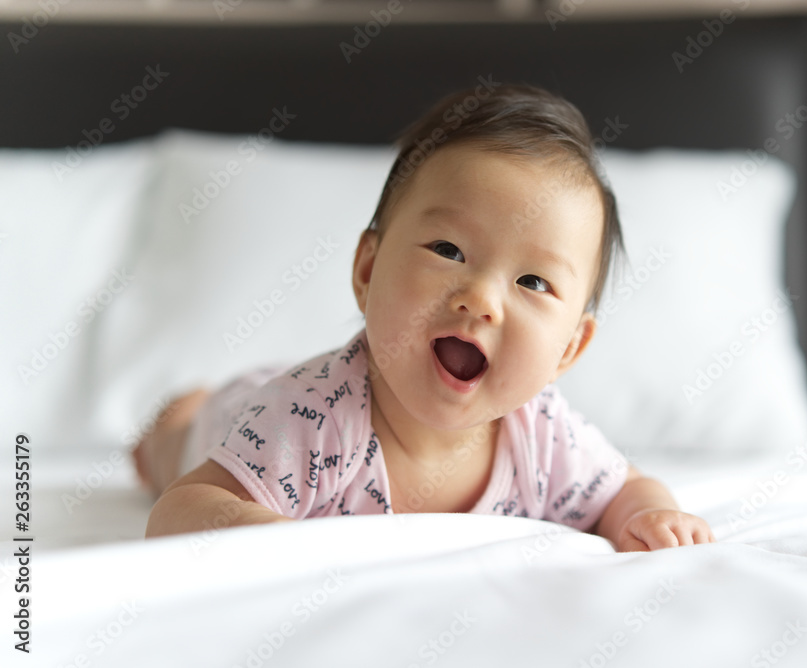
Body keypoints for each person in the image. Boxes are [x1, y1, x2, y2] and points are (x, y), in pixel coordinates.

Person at [139, 83, 715, 551]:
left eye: (533, 282)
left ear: (568, 349)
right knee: (173, 446)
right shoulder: (309, 423)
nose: (481, 299)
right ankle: (174, 420)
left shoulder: (543, 439)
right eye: (448, 251)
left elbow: (624, 489)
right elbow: (178, 509)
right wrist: (260, 534)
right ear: (367, 270)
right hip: (241, 417)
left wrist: (652, 516)